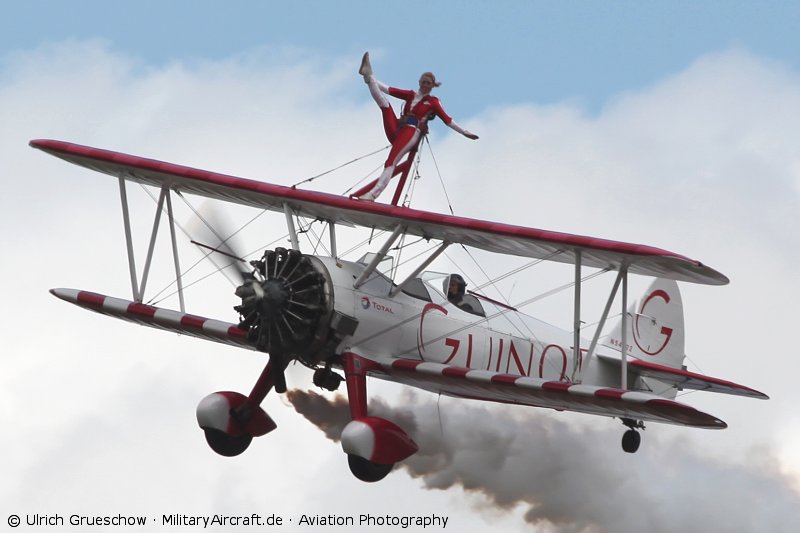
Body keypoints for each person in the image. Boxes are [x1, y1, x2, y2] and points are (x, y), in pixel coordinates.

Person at [358, 52, 479, 201]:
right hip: (398, 128)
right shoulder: (410, 95)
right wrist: (371, 79)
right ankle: (367, 75)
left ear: (432, 86)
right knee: (385, 105)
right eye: (423, 81)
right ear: (419, 82)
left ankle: (373, 194)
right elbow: (387, 89)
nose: (425, 85)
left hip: (410, 132)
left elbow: (447, 120)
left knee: (391, 161)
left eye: (428, 83)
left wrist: (465, 132)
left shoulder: (433, 102)